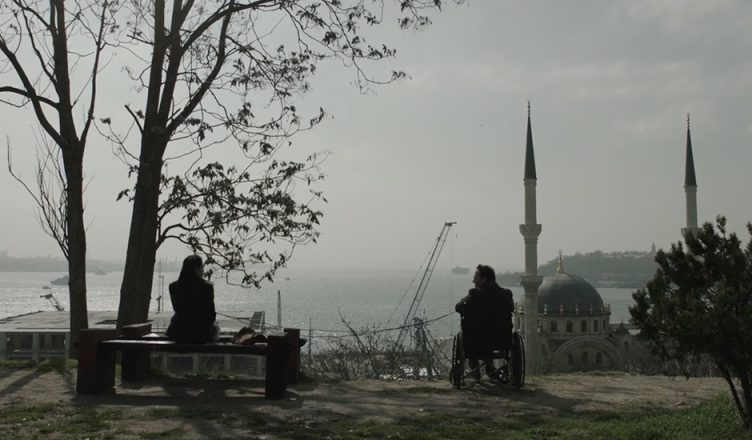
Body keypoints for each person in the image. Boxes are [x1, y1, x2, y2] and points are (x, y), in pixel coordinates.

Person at [455, 264, 514, 380]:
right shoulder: (506, 294)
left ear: (483, 279)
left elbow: (458, 307)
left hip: (476, 341)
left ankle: (475, 370)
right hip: (502, 340)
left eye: (475, 277)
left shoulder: (474, 294)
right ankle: (490, 369)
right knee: (490, 329)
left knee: (472, 331)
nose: (473, 280)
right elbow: (511, 308)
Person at [166, 255, 219, 343]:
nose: (203, 271)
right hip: (201, 334)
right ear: (196, 269)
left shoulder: (173, 287)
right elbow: (211, 316)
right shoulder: (207, 287)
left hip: (178, 333)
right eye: (202, 268)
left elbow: (178, 310)